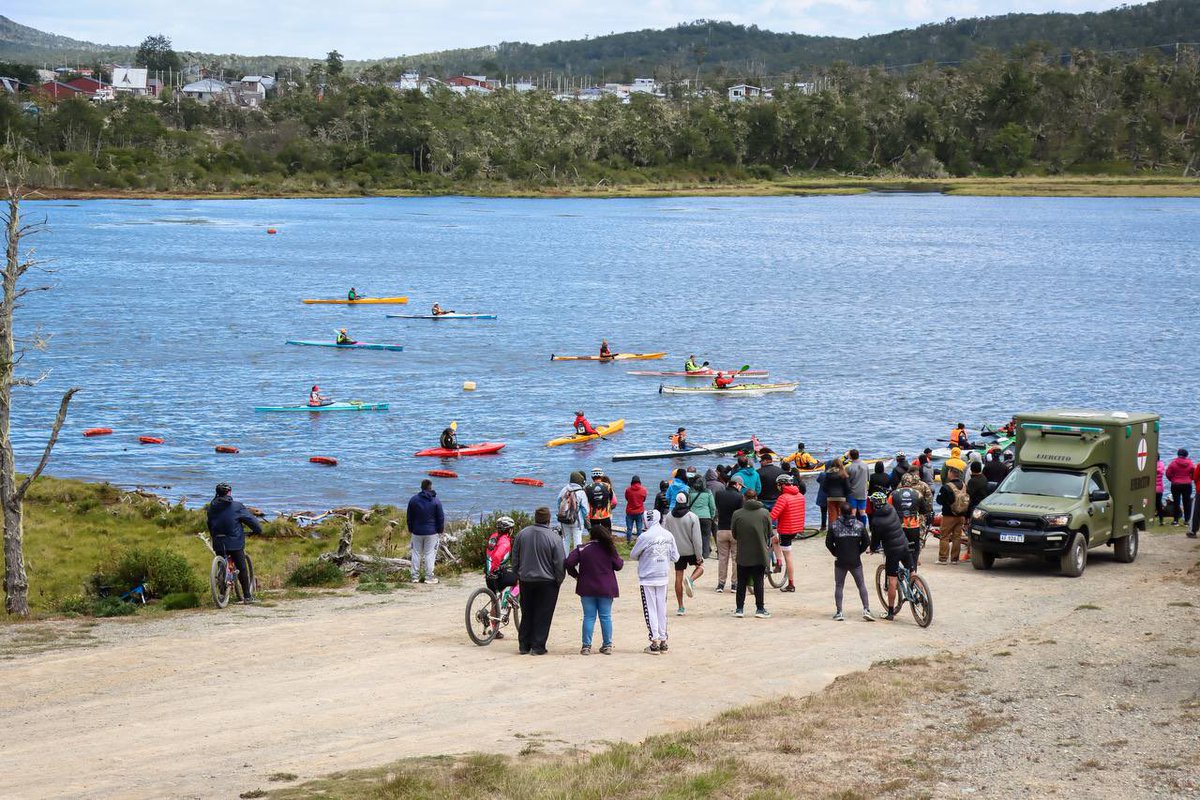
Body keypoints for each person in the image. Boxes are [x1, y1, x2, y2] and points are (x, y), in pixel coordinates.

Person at [512, 507, 566, 655]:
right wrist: (559, 580)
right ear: (548, 520)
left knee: (527, 612)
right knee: (543, 614)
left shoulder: (522, 534)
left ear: (535, 518)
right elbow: (560, 562)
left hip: (526, 579)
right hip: (547, 581)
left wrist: (517, 574)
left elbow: (515, 557)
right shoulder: (554, 537)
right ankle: (538, 646)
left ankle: (524, 645)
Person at [565, 524, 624, 655]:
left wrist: (576, 576)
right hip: (606, 587)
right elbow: (619, 565)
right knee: (606, 616)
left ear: (591, 535)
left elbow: (568, 562)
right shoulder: (609, 549)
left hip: (586, 587)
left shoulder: (582, 549)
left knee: (589, 617)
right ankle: (607, 645)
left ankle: (586, 646)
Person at [631, 509, 679, 654]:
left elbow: (633, 555)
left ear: (646, 520)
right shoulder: (668, 535)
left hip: (647, 577)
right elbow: (675, 557)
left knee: (650, 609)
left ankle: (654, 642)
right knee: (661, 609)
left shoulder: (644, 536)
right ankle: (663, 640)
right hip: (663, 575)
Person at [206, 482, 262, 603]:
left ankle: (222, 594)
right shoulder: (236, 506)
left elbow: (210, 524)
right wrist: (257, 530)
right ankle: (247, 596)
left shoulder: (211, 507)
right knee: (242, 567)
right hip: (235, 542)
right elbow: (251, 520)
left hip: (218, 541)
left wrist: (213, 536)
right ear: (229, 492)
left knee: (222, 566)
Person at [825, 501, 874, 622]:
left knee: (839, 585)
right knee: (861, 584)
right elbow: (867, 542)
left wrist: (835, 552)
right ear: (852, 511)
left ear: (840, 512)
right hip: (855, 560)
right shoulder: (859, 525)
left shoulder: (834, 525)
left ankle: (839, 612)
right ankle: (866, 609)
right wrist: (858, 551)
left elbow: (828, 543)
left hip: (840, 560)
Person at [868, 491, 912, 620]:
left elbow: (875, 540)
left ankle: (891, 612)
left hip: (892, 551)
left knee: (892, 580)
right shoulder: (892, 509)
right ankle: (918, 591)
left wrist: (872, 549)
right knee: (912, 570)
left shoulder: (876, 520)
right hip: (904, 544)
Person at [730, 489, 772, 619]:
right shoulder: (765, 513)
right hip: (759, 552)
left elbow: (734, 534)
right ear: (757, 497)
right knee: (759, 581)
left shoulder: (737, 514)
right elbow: (769, 532)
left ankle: (739, 608)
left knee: (741, 581)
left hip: (743, 552)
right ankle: (760, 608)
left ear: (744, 498)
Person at [663, 491, 703, 616]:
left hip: (677, 551)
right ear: (687, 501)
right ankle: (690, 580)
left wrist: (668, 552)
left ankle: (680, 607)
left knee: (678, 577)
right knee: (700, 568)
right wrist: (699, 555)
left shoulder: (669, 516)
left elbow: (666, 535)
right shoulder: (692, 516)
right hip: (690, 549)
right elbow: (697, 539)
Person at [769, 474, 806, 593]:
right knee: (775, 540)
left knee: (788, 557)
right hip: (796, 529)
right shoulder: (800, 495)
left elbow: (773, 515)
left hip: (786, 530)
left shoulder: (783, 498)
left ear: (781, 485)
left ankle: (791, 584)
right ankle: (779, 562)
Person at [485, 516, 519, 639]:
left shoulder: (493, 537)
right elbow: (498, 556)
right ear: (509, 529)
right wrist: (495, 568)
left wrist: (491, 569)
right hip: (497, 575)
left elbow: (492, 554)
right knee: (520, 580)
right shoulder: (505, 541)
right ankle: (513, 595)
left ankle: (495, 630)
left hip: (488, 575)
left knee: (495, 600)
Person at [407, 479, 445, 583]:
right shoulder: (436, 501)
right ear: (430, 487)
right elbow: (440, 517)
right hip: (432, 532)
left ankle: (414, 577)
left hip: (417, 531)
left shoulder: (413, 500)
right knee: (429, 554)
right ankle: (429, 577)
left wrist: (410, 528)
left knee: (416, 553)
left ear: (421, 487)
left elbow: (409, 517)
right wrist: (440, 530)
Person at [893, 471, 931, 566]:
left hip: (898, 523)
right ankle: (913, 569)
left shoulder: (895, 493)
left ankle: (899, 564)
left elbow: (889, 508)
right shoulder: (918, 493)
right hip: (914, 523)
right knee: (915, 546)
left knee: (898, 545)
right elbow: (926, 506)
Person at [714, 474, 744, 593]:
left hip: (721, 529)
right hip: (734, 531)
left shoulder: (719, 494)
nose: (741, 488)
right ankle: (734, 584)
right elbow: (741, 514)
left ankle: (721, 584)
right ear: (736, 484)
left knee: (722, 558)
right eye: (741, 485)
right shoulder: (739, 497)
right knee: (735, 559)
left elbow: (718, 508)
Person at [936, 467, 968, 564]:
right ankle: (954, 559)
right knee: (957, 537)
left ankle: (943, 558)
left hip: (948, 515)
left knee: (944, 536)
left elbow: (939, 500)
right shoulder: (964, 485)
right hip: (961, 515)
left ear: (951, 474)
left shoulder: (946, 487)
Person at [556, 471, 590, 556]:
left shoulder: (564, 490)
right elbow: (585, 510)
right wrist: (586, 520)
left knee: (565, 539)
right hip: (577, 520)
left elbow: (558, 503)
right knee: (577, 540)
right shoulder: (581, 492)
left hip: (564, 519)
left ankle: (564, 559)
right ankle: (576, 560)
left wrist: (564, 513)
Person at [687, 473, 717, 559]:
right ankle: (705, 554)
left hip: (694, 517)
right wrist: (712, 516)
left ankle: (696, 554)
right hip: (706, 517)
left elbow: (688, 504)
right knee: (706, 536)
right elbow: (712, 506)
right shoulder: (708, 492)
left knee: (695, 536)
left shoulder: (691, 492)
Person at [1165, 448, 1195, 527]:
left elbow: (1168, 473)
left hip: (1176, 485)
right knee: (1187, 503)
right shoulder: (1190, 463)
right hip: (1187, 485)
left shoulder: (1173, 463)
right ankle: (1187, 521)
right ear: (1186, 455)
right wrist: (1189, 479)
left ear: (1178, 454)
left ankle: (1175, 521)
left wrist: (1172, 479)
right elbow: (1193, 473)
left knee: (1176, 502)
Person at [585, 467, 615, 532]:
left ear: (592, 477)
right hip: (605, 514)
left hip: (593, 515)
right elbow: (611, 498)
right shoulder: (607, 486)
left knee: (595, 533)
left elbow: (586, 501)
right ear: (601, 476)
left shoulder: (587, 487)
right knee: (607, 532)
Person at [823, 458, 849, 527]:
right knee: (841, 514)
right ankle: (842, 529)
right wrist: (845, 495)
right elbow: (848, 487)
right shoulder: (843, 474)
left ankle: (832, 530)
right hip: (841, 497)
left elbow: (824, 487)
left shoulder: (828, 474)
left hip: (830, 497)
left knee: (832, 516)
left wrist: (828, 493)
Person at [845, 449, 869, 522]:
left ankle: (853, 528)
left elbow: (846, 481)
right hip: (863, 492)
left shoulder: (848, 467)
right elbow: (868, 479)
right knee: (863, 512)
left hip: (852, 492)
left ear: (851, 457)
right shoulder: (865, 465)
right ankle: (863, 528)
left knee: (853, 512)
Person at [624, 476, 647, 543]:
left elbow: (627, 498)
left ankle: (628, 542)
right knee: (639, 529)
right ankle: (639, 543)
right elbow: (644, 500)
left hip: (630, 512)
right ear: (639, 482)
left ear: (632, 482)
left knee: (629, 528)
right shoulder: (643, 490)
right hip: (639, 512)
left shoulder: (628, 490)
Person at [1155, 457, 1165, 525]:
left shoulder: (1150, 465)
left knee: (1145, 503)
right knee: (1159, 504)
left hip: (1150, 488)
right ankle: (1161, 520)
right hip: (1159, 488)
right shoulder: (1161, 464)